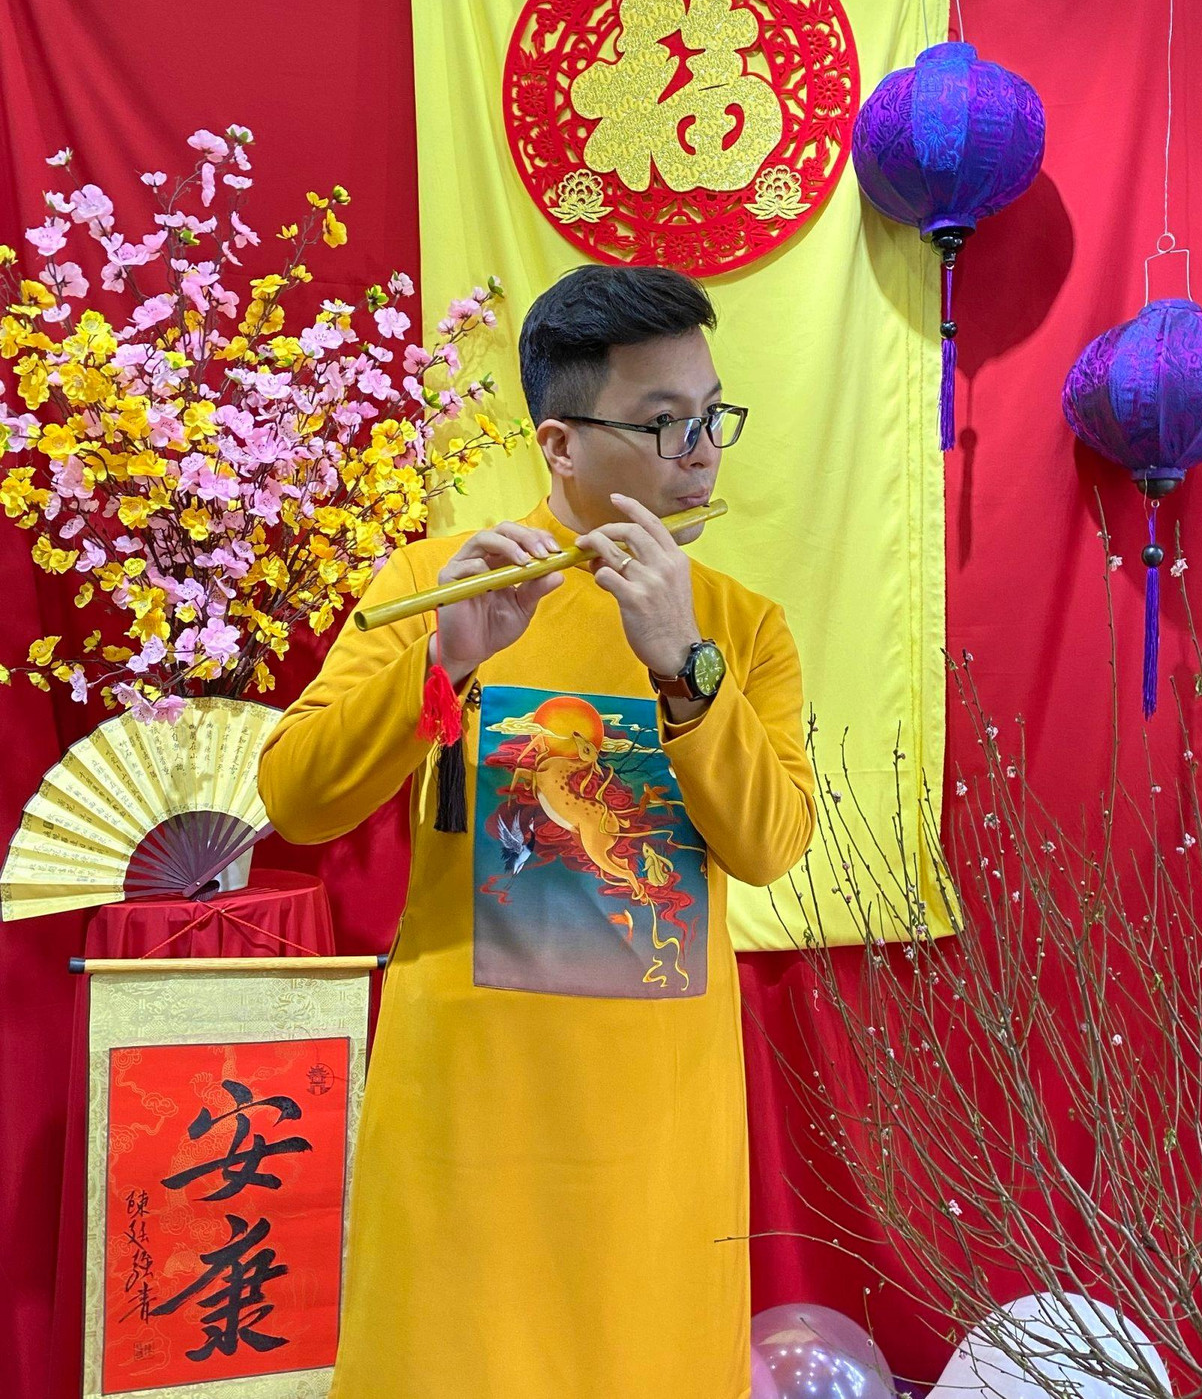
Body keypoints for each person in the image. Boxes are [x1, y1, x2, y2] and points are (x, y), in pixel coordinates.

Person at [258, 263, 816, 1399]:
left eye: (712, 415)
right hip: (469, 1111)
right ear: (560, 444)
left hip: (657, 1123)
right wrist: (447, 660)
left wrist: (684, 665)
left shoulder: (738, 629)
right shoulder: (437, 585)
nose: (702, 450)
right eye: (664, 422)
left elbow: (770, 845)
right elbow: (297, 801)